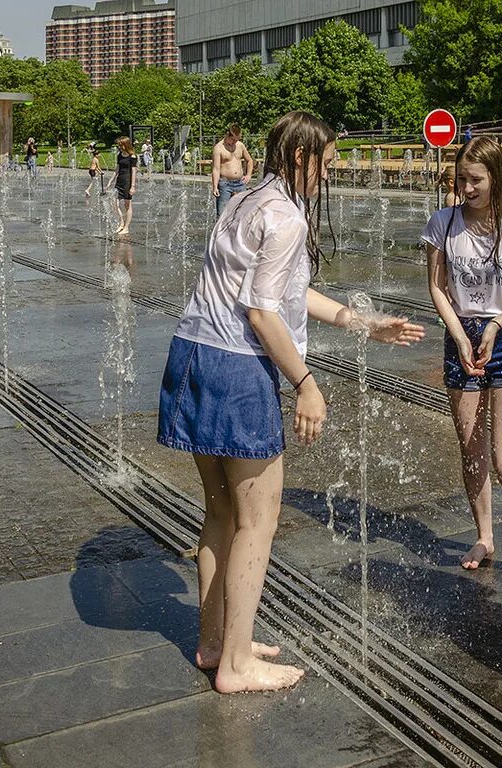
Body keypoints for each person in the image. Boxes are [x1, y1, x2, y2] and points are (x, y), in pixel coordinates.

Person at [157, 111, 424, 694]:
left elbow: (282, 290)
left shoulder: (246, 200)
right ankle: (237, 666)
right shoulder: (284, 217)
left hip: (192, 353)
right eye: (327, 163)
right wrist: (307, 383)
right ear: (301, 158)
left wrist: (360, 321)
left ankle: (216, 641)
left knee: (221, 513)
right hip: (236, 369)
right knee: (259, 519)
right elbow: (261, 311)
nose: (331, 173)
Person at [422, 135, 502, 591]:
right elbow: (437, 286)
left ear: (496, 178)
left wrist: (497, 324)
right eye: (461, 179)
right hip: (461, 337)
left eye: (475, 179)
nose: (466, 188)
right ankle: (484, 537)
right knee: (471, 451)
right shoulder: (443, 221)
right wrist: (460, 334)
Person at [212, 124, 254, 217]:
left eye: (237, 140)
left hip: (240, 183)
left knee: (242, 213)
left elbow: (249, 160)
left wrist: (248, 175)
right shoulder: (218, 148)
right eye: (233, 140)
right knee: (222, 214)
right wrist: (215, 186)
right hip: (225, 184)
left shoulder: (240, 146)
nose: (235, 142)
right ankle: (221, 231)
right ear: (227, 135)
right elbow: (216, 168)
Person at [106, 136, 138, 236]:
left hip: (127, 181)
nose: (119, 147)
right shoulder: (119, 155)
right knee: (113, 203)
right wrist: (111, 181)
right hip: (119, 181)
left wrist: (132, 186)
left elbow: (134, 171)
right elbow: (117, 169)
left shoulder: (132, 157)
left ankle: (126, 227)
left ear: (125, 145)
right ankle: (121, 222)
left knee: (127, 204)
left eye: (120, 145)